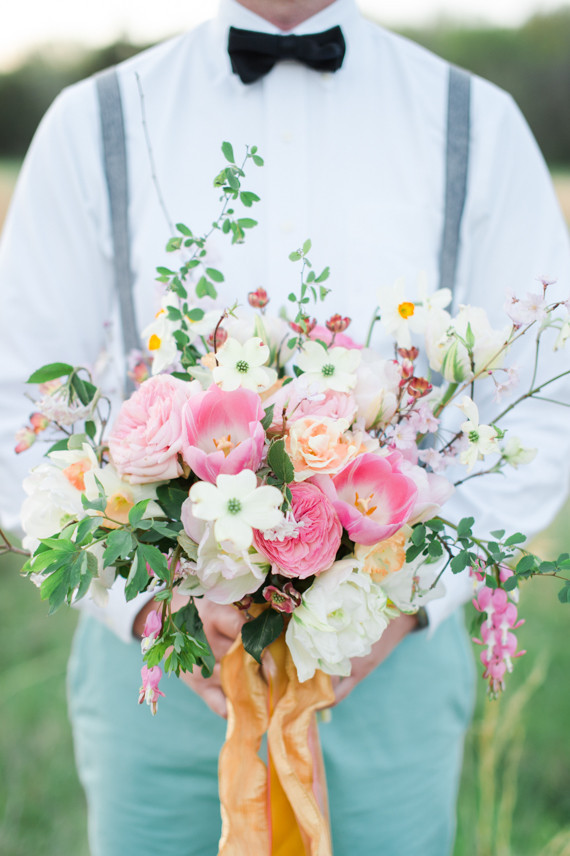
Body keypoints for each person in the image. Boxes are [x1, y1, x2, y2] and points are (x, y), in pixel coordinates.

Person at [1, 1, 569, 854]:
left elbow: (545, 402)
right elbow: (20, 402)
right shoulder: (97, 123)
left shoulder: (474, 122)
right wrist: (148, 604)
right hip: (156, 690)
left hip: (390, 687)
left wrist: (406, 605)